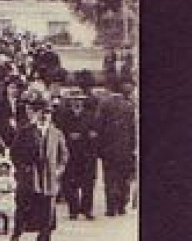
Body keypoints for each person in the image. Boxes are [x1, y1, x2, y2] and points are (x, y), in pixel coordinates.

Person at [10, 95, 69, 241]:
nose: (45, 116)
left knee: (48, 210)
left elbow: (64, 155)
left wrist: (58, 170)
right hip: (30, 176)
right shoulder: (26, 131)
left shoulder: (56, 133)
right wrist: (22, 168)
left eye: (48, 113)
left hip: (49, 178)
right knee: (23, 206)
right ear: (37, 114)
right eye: (42, 112)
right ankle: (17, 231)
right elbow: (14, 152)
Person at [56, 92, 100, 219]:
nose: (77, 102)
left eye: (79, 100)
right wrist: (68, 137)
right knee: (70, 183)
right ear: (70, 102)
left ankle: (87, 210)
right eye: (74, 100)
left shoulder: (90, 116)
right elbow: (60, 133)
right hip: (71, 154)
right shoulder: (64, 117)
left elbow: (96, 131)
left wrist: (93, 136)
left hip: (87, 154)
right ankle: (73, 209)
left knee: (88, 183)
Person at [96, 86, 138, 216]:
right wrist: (132, 147)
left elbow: (99, 127)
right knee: (123, 178)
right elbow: (133, 130)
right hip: (125, 149)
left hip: (108, 149)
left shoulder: (104, 105)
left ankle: (110, 208)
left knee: (109, 178)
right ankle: (121, 206)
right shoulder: (129, 107)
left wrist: (99, 148)